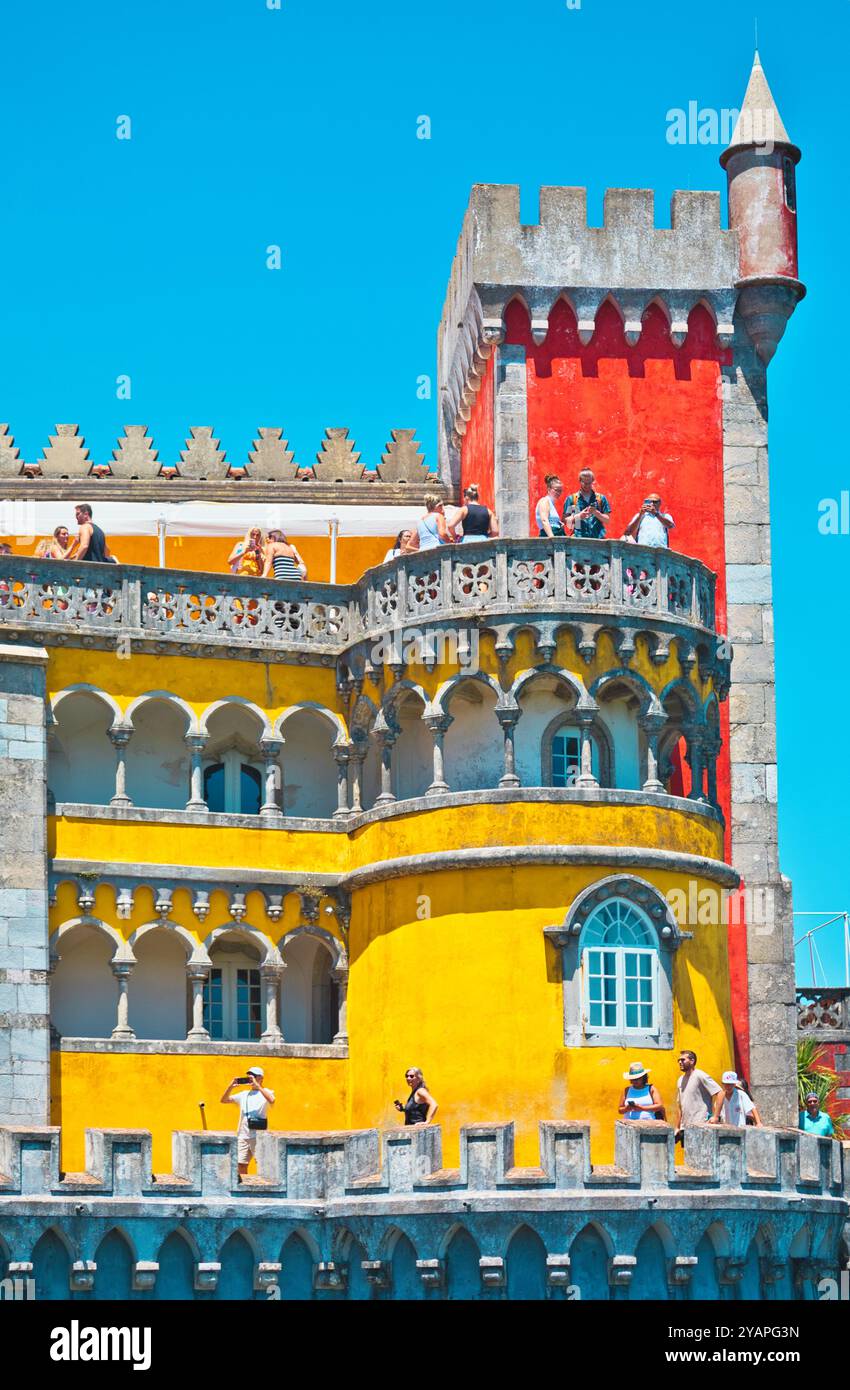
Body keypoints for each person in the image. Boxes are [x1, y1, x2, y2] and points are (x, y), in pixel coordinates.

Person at [221, 1067, 276, 1176]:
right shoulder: (244, 1094)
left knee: (262, 1163)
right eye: (249, 1077)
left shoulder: (267, 1092)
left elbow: (272, 1100)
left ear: (261, 1078)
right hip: (243, 1134)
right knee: (241, 1164)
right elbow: (224, 1100)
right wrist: (230, 1086)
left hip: (259, 1135)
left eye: (253, 1077)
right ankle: (245, 1186)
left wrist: (258, 1086)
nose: (250, 1079)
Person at [675, 1050, 723, 1140]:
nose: (680, 1062)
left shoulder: (700, 1075)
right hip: (685, 1128)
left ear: (692, 1061)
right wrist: (677, 1127)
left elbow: (720, 1093)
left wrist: (716, 1116)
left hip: (701, 1125)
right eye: (679, 1061)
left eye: (682, 1060)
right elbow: (680, 1106)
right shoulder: (680, 1080)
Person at [563, 469, 611, 539]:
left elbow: (607, 520)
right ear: (580, 481)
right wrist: (579, 516)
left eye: (589, 483)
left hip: (598, 540)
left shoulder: (600, 498)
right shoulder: (572, 499)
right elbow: (565, 521)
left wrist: (596, 513)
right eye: (585, 483)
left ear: (592, 481)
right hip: (578, 539)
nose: (587, 485)